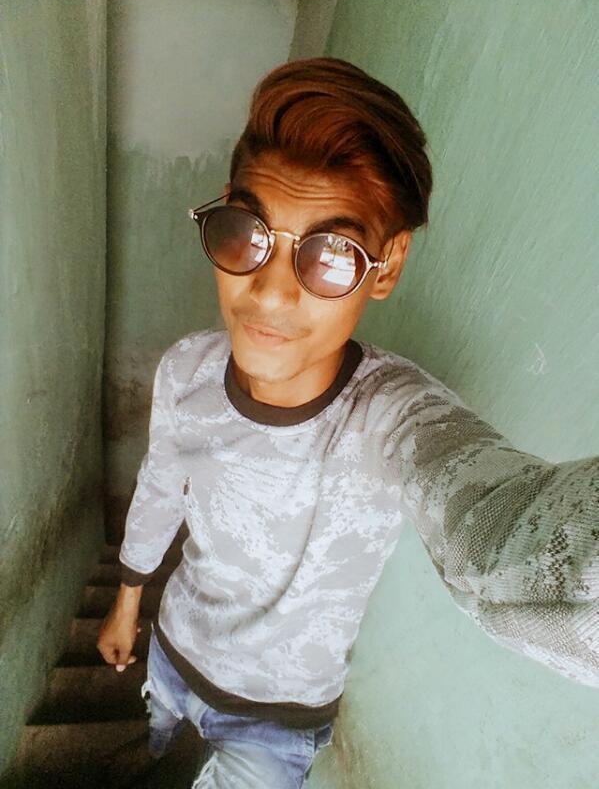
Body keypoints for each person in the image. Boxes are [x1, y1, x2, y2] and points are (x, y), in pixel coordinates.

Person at [97, 57, 599, 788]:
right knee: (156, 749)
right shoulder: (186, 371)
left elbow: (506, 535)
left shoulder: (391, 417)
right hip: (173, 651)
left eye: (331, 255)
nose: (269, 293)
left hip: (277, 717)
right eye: (244, 232)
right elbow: (157, 491)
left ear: (386, 266)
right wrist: (127, 604)